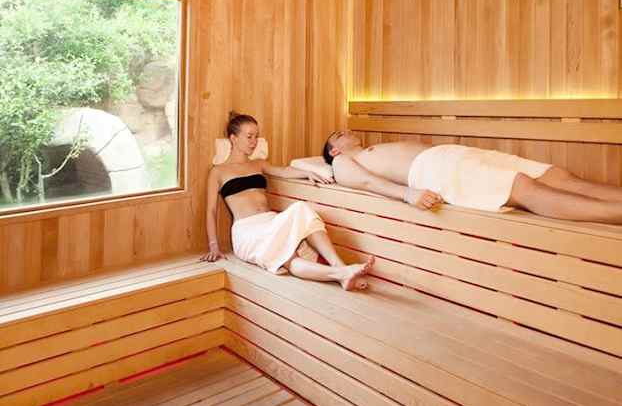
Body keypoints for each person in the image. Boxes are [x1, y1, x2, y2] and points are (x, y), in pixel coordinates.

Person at [200, 113, 374, 290]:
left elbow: (283, 171)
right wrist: (214, 246)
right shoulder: (218, 172)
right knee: (288, 258)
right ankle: (342, 273)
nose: (254, 142)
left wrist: (308, 172)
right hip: (248, 231)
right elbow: (211, 211)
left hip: (270, 222)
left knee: (302, 211)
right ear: (233, 138)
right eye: (249, 136)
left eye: (256, 136)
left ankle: (341, 270)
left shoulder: (258, 164)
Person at [322, 130, 622, 224]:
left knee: (556, 176)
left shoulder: (370, 150)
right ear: (334, 150)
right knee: (524, 188)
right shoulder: (343, 163)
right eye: (338, 135)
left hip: (453, 155)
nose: (345, 132)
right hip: (434, 170)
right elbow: (365, 182)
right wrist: (407, 194)